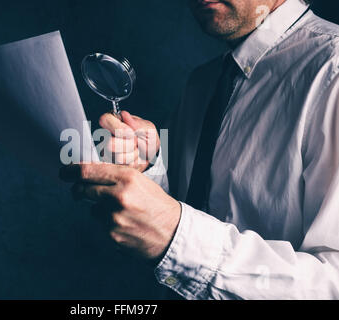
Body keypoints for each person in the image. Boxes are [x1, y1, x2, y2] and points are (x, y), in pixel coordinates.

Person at [60, 0, 339, 299]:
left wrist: (174, 235)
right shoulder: (203, 83)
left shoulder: (333, 71)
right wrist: (151, 168)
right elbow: (193, 209)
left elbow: (332, 283)